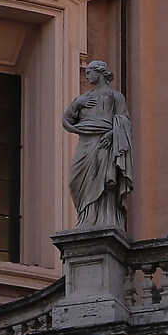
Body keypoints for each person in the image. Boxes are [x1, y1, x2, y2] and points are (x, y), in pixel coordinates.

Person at [63, 59, 133, 229]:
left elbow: (125, 121)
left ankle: (103, 219)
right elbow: (67, 120)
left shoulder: (115, 96)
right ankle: (85, 216)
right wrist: (77, 103)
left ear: (99, 72)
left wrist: (111, 134)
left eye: (89, 72)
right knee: (75, 179)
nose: (87, 77)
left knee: (104, 179)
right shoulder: (84, 98)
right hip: (85, 142)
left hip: (104, 142)